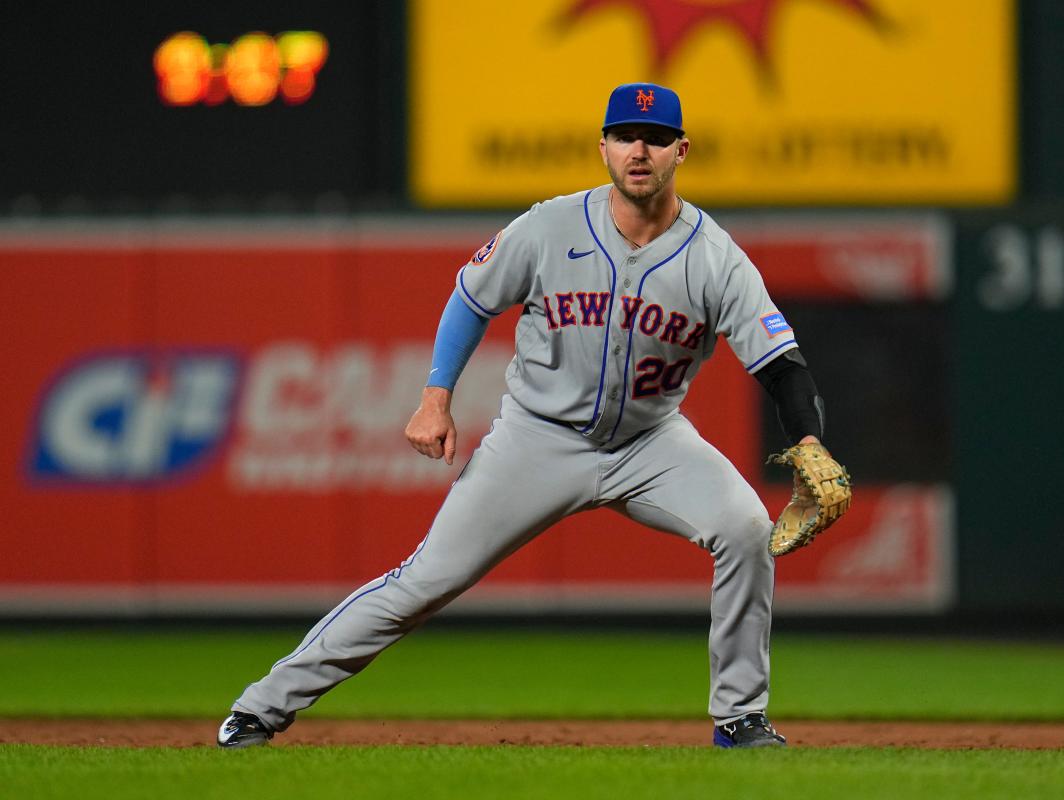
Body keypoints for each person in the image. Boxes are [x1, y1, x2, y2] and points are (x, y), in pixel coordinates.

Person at [218, 82, 831, 749]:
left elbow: (781, 365)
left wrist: (810, 443)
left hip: (652, 442)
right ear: (603, 146)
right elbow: (471, 297)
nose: (639, 151)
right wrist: (435, 393)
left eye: (655, 139)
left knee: (744, 527)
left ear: (681, 150)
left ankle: (740, 718)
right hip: (537, 439)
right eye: (626, 135)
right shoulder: (550, 226)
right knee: (424, 582)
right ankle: (259, 709)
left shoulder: (715, 257)